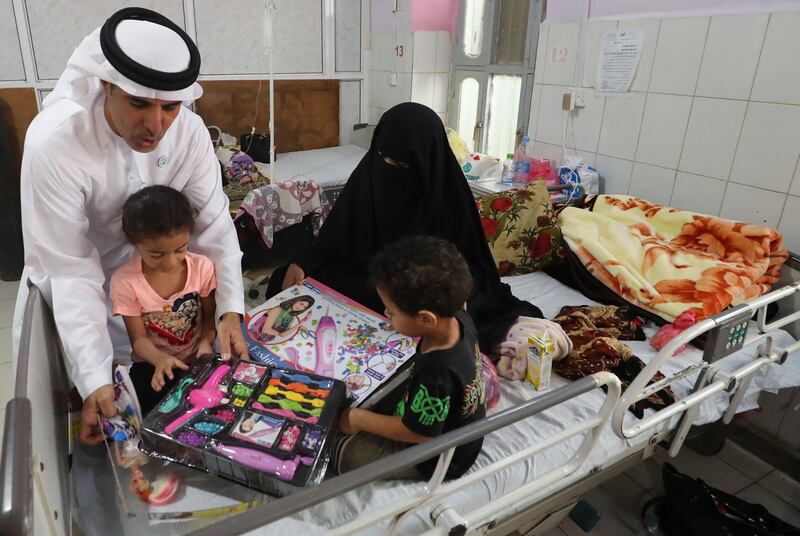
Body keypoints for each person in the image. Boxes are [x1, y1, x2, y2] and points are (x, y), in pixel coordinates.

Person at [12, 7, 246, 446]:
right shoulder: (55, 144)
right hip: (81, 298)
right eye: (139, 104)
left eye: (170, 107)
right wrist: (95, 378)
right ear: (106, 87)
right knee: (94, 407)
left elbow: (212, 224)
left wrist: (231, 307)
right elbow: (69, 270)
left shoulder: (190, 133)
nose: (155, 125)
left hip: (161, 294)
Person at [268, 102, 543, 357]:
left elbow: (466, 275)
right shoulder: (367, 180)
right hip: (366, 274)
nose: (388, 170)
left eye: (401, 165)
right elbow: (335, 239)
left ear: (427, 163)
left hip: (418, 287)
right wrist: (303, 262)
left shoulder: (448, 201)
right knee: (287, 279)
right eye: (383, 159)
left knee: (428, 310)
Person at [334, 236, 486, 480]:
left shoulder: (438, 372)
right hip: (444, 417)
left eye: (391, 312)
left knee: (346, 454)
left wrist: (358, 419)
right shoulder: (459, 316)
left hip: (438, 456)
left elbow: (420, 433)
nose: (386, 316)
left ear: (426, 319)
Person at [110, 186, 217, 415]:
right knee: (146, 416)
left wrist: (207, 342)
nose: (170, 262)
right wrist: (160, 359)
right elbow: (138, 340)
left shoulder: (202, 268)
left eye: (180, 250)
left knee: (209, 409)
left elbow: (209, 317)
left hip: (197, 357)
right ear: (134, 242)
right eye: (157, 254)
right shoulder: (125, 282)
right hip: (151, 362)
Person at [247, 295, 315, 343]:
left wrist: (301, 323)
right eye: (301, 303)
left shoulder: (291, 317)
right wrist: (278, 333)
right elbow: (266, 330)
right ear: (296, 301)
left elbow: (283, 335)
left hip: (261, 342)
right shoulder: (278, 310)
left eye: (304, 307)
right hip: (250, 337)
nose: (300, 307)